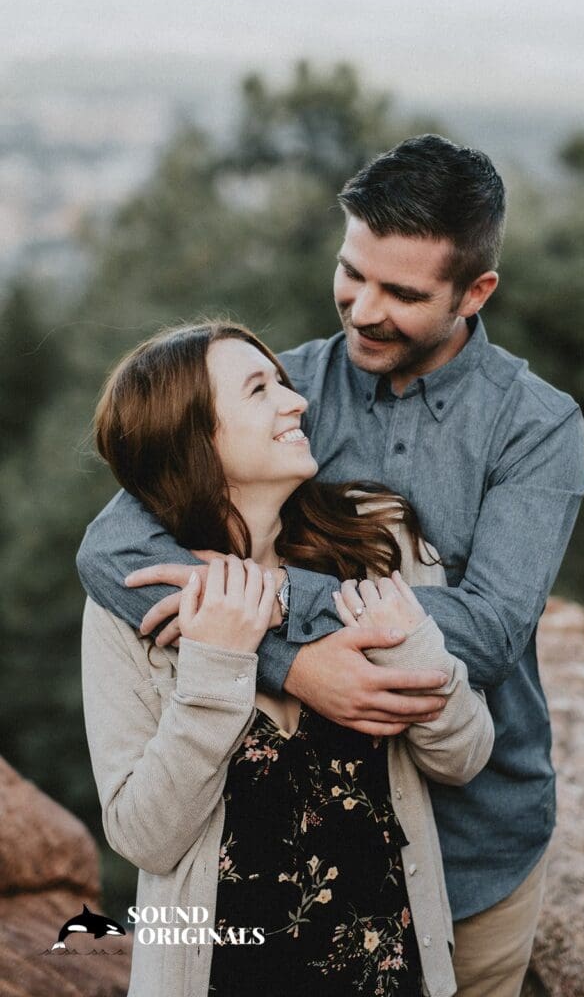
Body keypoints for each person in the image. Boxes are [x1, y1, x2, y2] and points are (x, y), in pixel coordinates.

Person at [78, 134, 584, 997]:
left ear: (475, 292)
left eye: (401, 292)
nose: (361, 310)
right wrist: (292, 665)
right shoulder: (291, 391)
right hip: (264, 877)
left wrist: (273, 597)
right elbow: (112, 548)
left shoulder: (536, 427)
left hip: (475, 843)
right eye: (352, 272)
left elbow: (489, 633)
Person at [82, 320, 494, 997]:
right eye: (258, 389)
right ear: (195, 439)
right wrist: (215, 664)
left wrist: (410, 635)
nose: (295, 401)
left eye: (283, 382)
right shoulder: (131, 605)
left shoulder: (379, 537)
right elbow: (143, 837)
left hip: (387, 975)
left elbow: (463, 755)